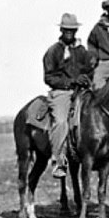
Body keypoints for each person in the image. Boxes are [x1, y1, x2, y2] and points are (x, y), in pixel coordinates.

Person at [43, 13, 93, 178]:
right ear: (62, 30)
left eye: (72, 30)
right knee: (61, 121)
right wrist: (71, 81)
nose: (70, 33)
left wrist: (87, 77)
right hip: (62, 92)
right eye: (67, 30)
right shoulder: (53, 51)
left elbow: (88, 69)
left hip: (82, 90)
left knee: (97, 113)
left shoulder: (81, 50)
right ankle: (58, 161)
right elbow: (49, 77)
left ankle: (100, 156)